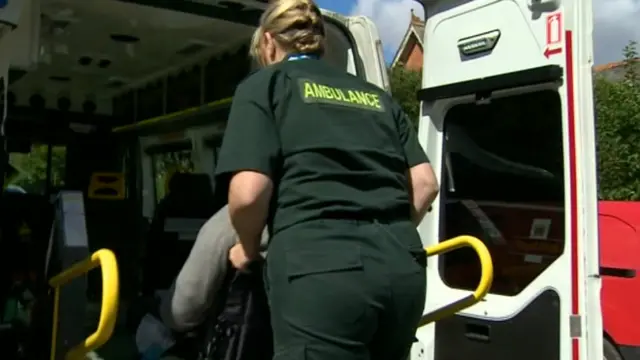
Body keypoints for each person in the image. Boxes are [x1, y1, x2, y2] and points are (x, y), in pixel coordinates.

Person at [215, 0, 440, 359]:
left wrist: (248, 247)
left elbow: (248, 193)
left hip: (319, 268)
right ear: (318, 43)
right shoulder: (376, 97)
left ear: (270, 42)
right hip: (403, 267)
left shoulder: (265, 86)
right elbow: (425, 183)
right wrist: (385, 234)